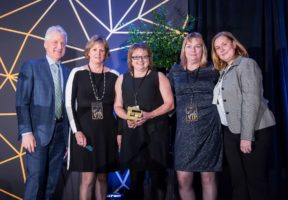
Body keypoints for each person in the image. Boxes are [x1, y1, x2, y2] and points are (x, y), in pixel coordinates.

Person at [211, 31, 276, 200]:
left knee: (255, 182)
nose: (221, 49)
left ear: (234, 44)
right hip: (231, 131)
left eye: (224, 44)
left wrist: (247, 136)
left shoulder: (246, 64)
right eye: (217, 48)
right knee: (238, 181)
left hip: (253, 130)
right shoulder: (224, 70)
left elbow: (251, 100)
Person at [15, 25, 70, 200]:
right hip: (37, 136)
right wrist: (26, 132)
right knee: (35, 181)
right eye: (55, 42)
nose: (59, 46)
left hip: (60, 136)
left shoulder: (68, 72)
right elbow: (21, 102)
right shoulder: (31, 66)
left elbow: (69, 107)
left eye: (62, 43)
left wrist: (68, 140)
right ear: (45, 44)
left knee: (52, 184)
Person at [114, 42, 174, 200]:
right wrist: (129, 117)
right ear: (130, 59)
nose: (140, 60)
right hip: (133, 133)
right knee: (135, 180)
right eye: (136, 57)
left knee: (158, 179)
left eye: (144, 56)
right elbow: (117, 106)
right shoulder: (122, 79)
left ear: (149, 58)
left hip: (156, 132)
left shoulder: (159, 77)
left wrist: (149, 115)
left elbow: (170, 104)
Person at [167, 32, 223, 200]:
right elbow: (166, 99)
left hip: (209, 129)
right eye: (189, 46)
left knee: (208, 177)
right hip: (184, 131)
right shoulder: (175, 71)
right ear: (184, 50)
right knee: (183, 179)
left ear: (203, 50)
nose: (193, 50)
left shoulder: (213, 69)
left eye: (197, 46)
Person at [65, 35, 119, 200]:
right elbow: (68, 105)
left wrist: (120, 133)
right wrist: (77, 132)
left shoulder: (115, 75)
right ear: (88, 52)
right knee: (88, 179)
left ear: (106, 54)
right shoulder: (77, 73)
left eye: (101, 50)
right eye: (94, 50)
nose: (98, 53)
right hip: (85, 135)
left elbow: (121, 105)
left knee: (103, 178)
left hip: (107, 134)